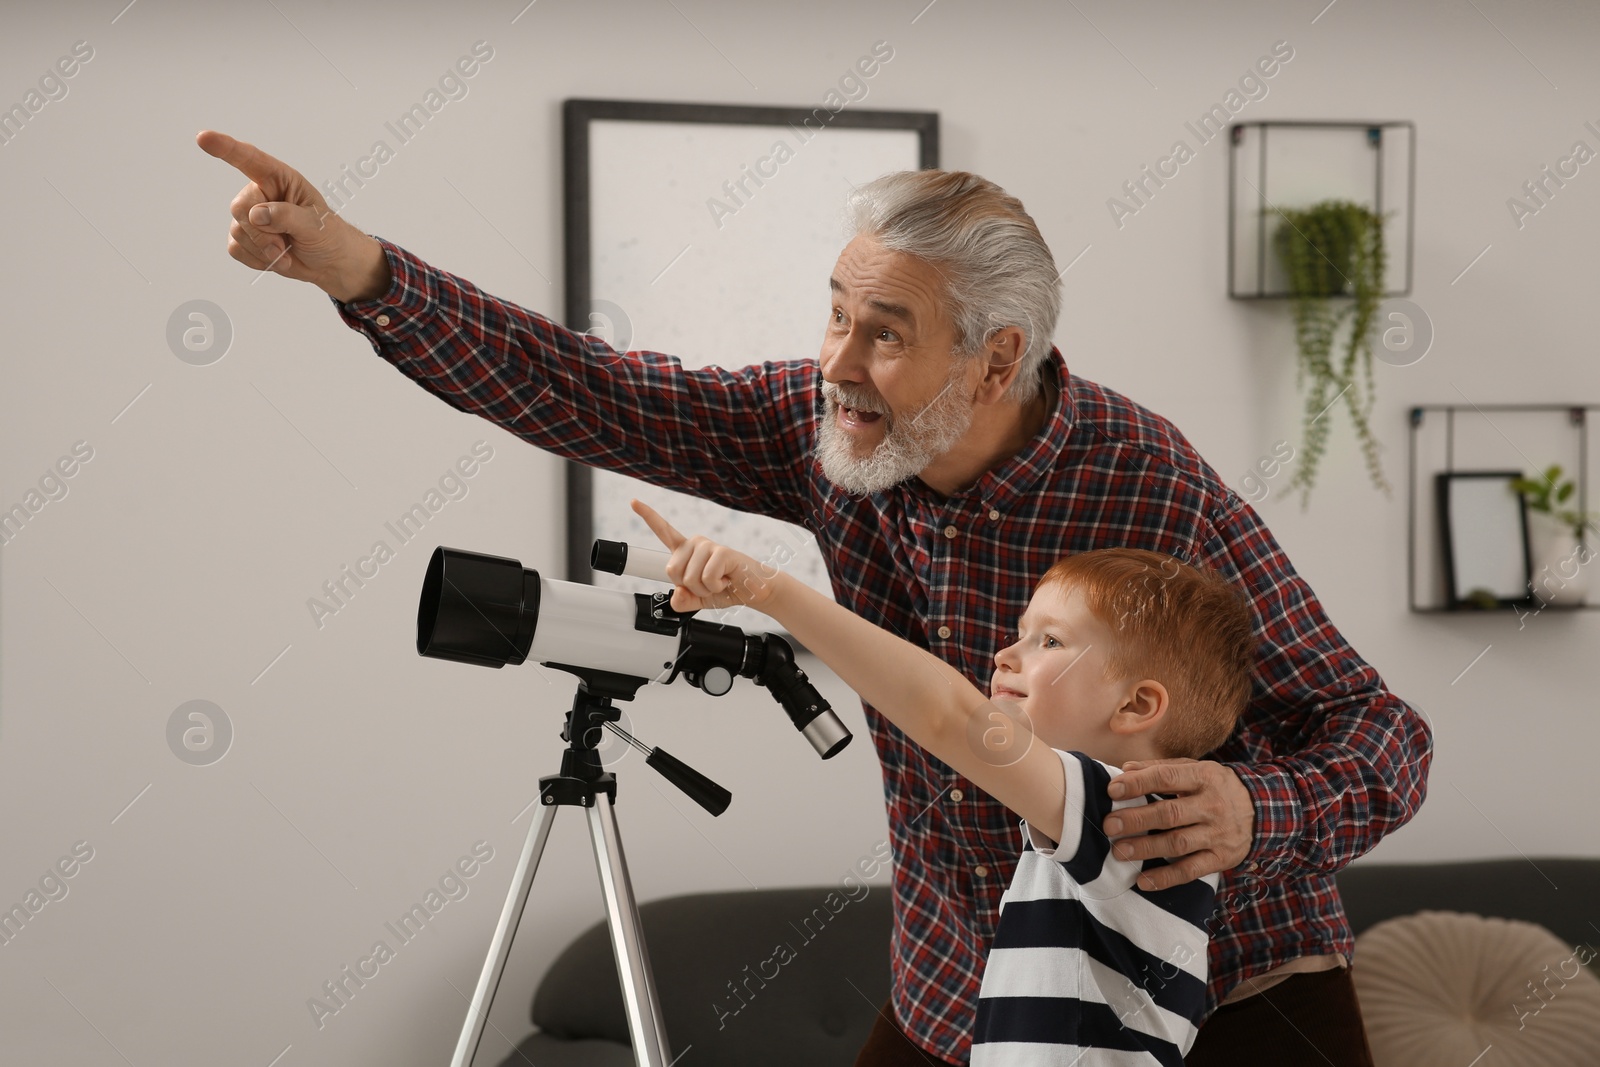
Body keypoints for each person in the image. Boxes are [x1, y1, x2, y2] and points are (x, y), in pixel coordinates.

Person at [198, 129, 1427, 1066]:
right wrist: (357, 268)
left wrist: (1255, 809)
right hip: (963, 985)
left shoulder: (1150, 487)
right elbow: (587, 388)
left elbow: (1382, 735)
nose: (836, 360)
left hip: (1231, 1000)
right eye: (833, 314)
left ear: (996, 358)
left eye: (882, 333)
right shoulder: (824, 424)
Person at [631, 495, 1256, 1065]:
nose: (1007, 656)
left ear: (1136, 707)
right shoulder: (1104, 819)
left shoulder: (1129, 809)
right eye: (1020, 634)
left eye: (1051, 641)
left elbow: (947, 716)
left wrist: (770, 591)